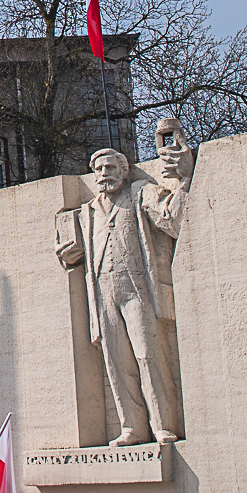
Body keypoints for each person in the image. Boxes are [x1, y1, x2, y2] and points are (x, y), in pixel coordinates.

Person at [56, 117, 190, 444]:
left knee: (147, 354)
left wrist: (184, 179)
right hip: (102, 292)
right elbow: (68, 254)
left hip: (136, 288)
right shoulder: (86, 211)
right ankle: (131, 426)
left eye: (112, 167)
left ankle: (161, 425)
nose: (105, 174)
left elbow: (170, 218)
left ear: (124, 170)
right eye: (100, 169)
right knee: (117, 362)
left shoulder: (138, 192)